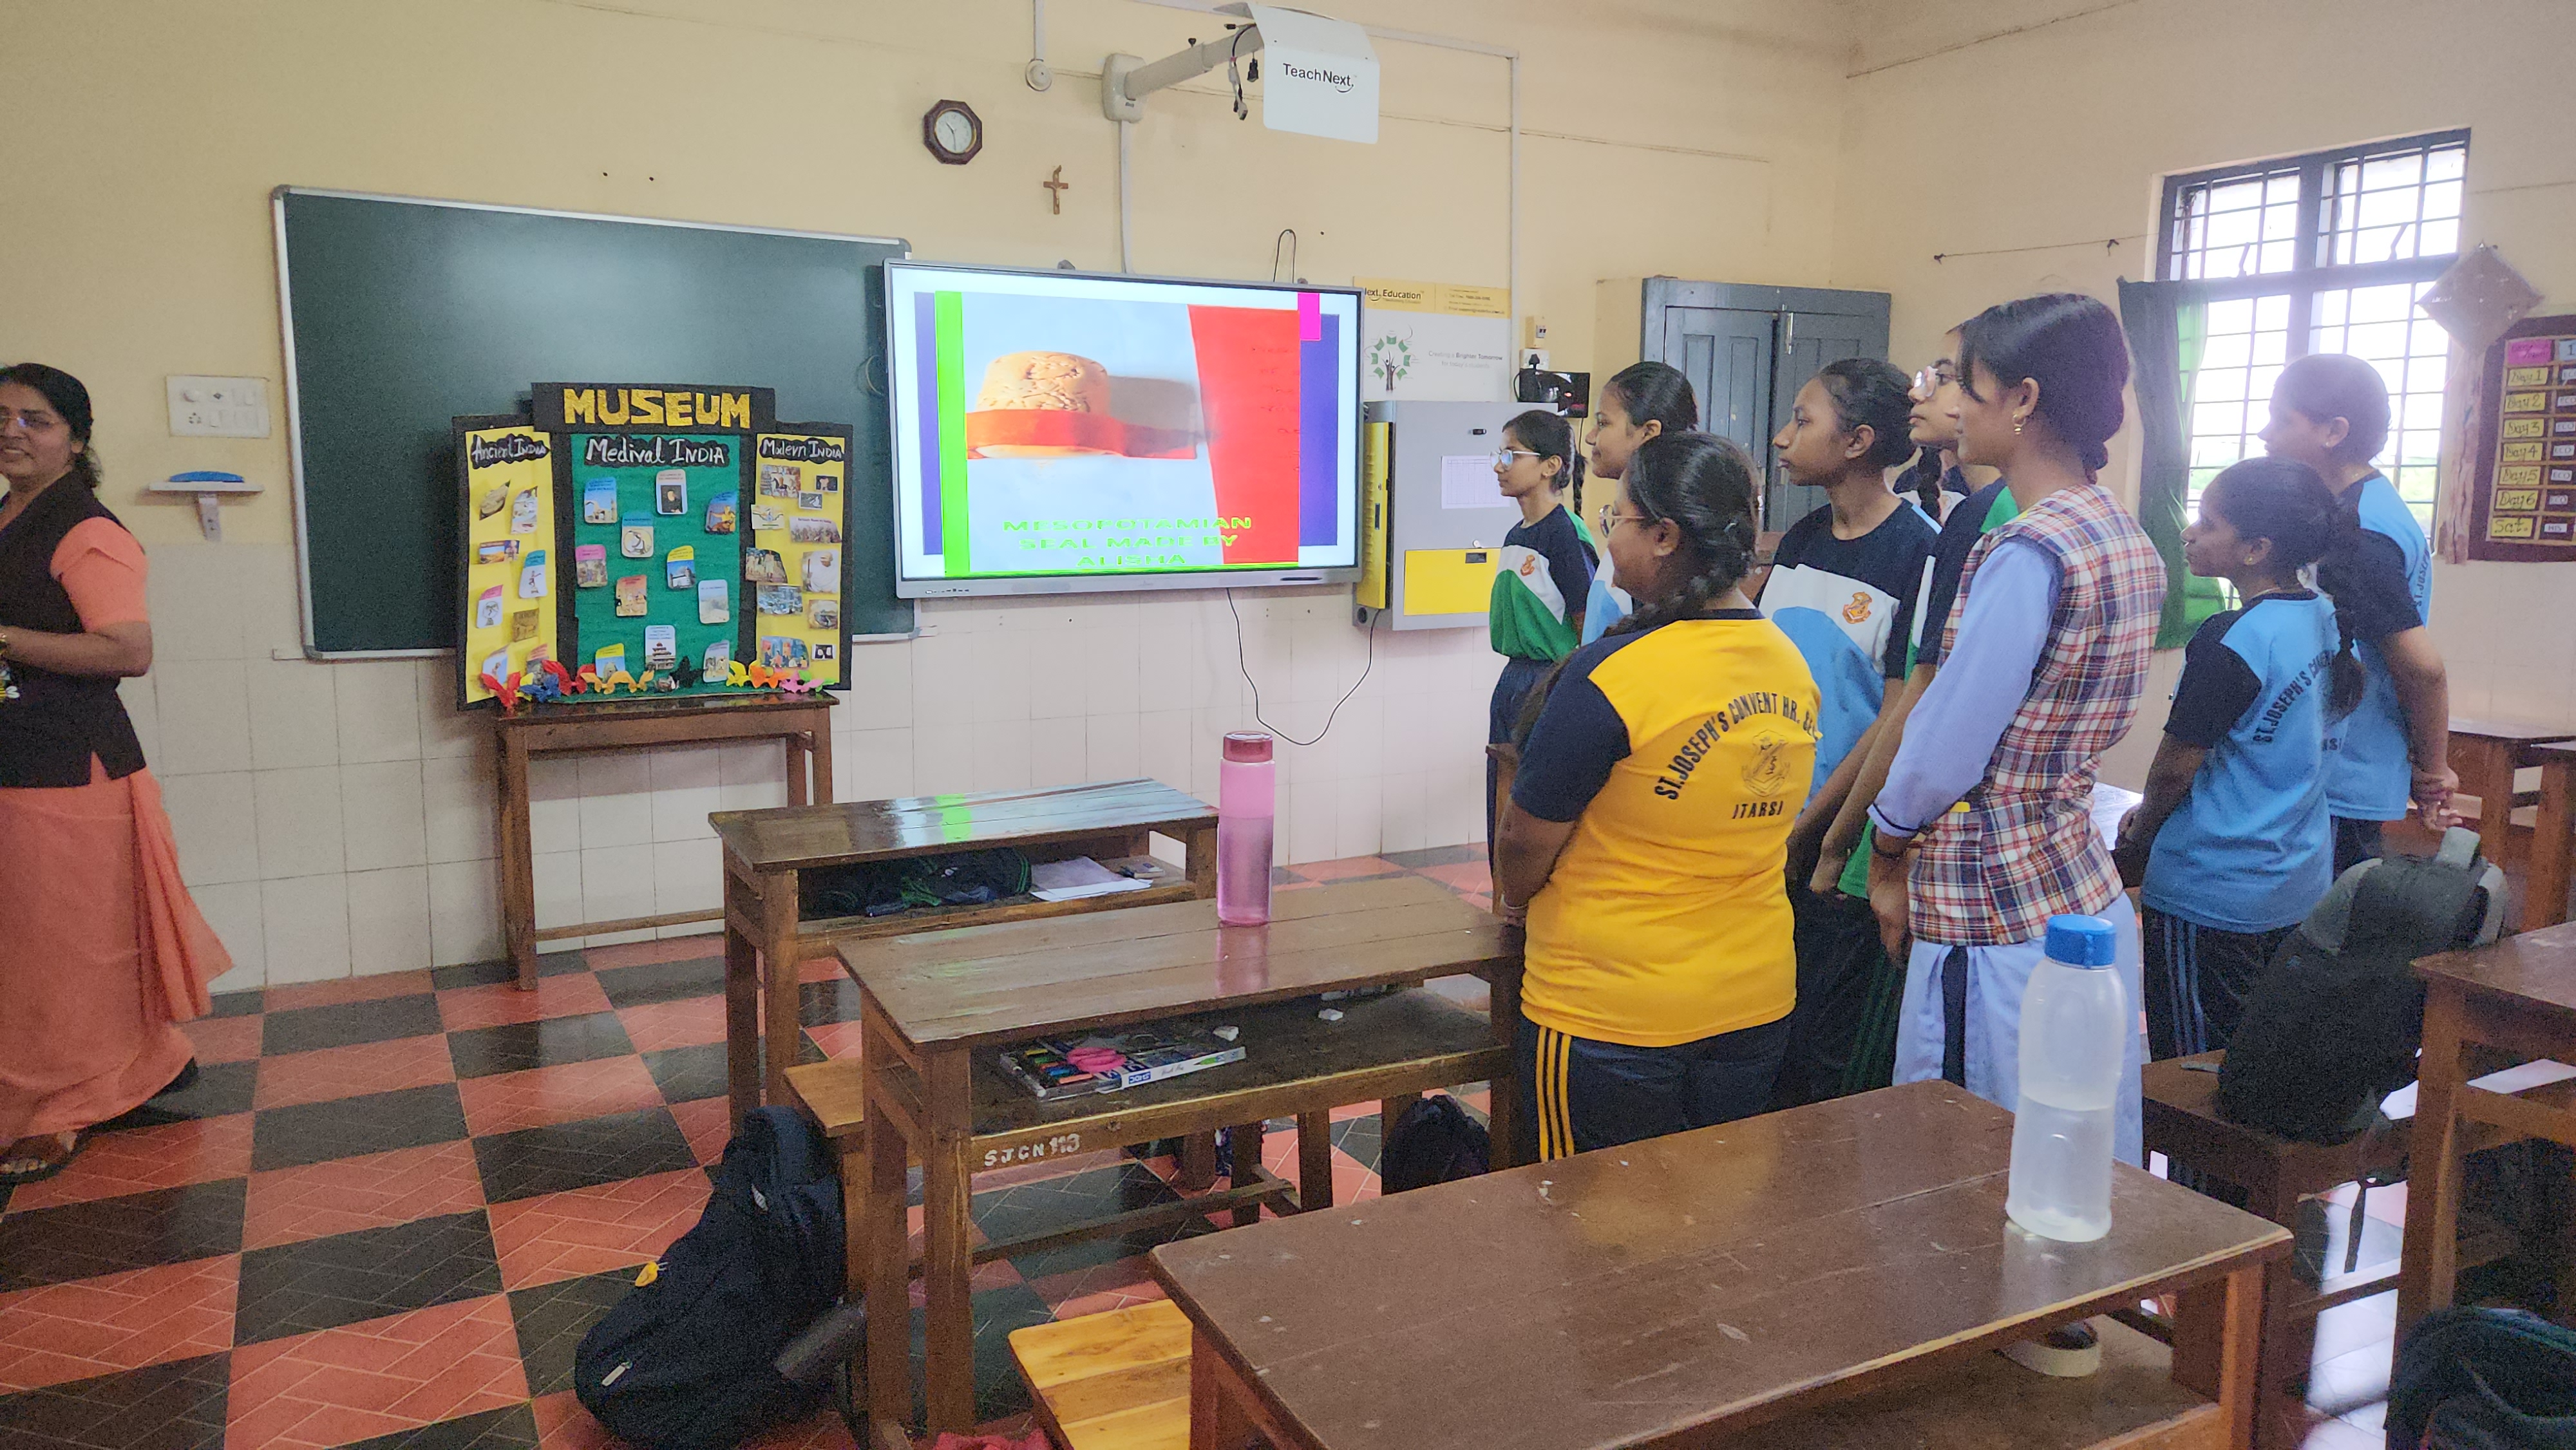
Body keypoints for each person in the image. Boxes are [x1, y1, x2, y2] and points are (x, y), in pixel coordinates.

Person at [1862, 293, 2163, 1165]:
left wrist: (1888, 842)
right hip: (2076, 886)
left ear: (2023, 399)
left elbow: (1949, 742)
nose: (1952, 403)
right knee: (2073, 1151)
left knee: (1973, 1158)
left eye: (1965, 383)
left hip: (1994, 912)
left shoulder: (2028, 549)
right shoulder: (2122, 533)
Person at [1494, 432, 1819, 1160]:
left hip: (1612, 1017)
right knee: (1716, 1215)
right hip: (1753, 1005)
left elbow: (1524, 841)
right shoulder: (1788, 663)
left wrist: (1514, 898)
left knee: (1587, 1219)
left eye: (1619, 519)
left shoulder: (1613, 676)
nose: (1609, 539)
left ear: (1666, 536)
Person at [0, 362, 232, 1184]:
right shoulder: (11, 516)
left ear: (76, 438)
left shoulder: (87, 530)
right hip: (20, 761)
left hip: (68, 772)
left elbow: (127, 650)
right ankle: (137, 1068)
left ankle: (62, 1107)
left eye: (35, 419)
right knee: (31, 944)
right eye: (1, 416)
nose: (12, 431)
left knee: (61, 950)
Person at [1803, 332, 2018, 1095]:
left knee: (1862, 1062)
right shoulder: (1987, 512)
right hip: (1920, 831)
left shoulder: (1987, 523)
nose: (1919, 392)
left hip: (1919, 834)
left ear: (2019, 398)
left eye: (1948, 377)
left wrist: (1847, 840)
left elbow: (1923, 700)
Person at [2113, 457, 2359, 1060]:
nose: (2189, 533)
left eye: (2209, 523)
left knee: (2193, 1070)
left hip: (2212, 892)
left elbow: (2176, 767)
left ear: (2256, 550)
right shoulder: (2325, 616)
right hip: (2296, 880)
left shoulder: (2234, 638)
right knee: (2259, 1060)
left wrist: (2139, 838)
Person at [1756, 358, 1937, 1107]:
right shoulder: (1801, 538)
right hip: (1768, 822)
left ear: (1858, 440)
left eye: (1802, 420)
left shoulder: (1919, 551)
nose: (1781, 437)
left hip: (1838, 841)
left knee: (1820, 1056)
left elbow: (1897, 713)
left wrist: (1818, 832)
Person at [2260, 353, 2455, 871]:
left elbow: (2422, 668)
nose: (2266, 434)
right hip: (2339, 769)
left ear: (2334, 431)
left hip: (2343, 776)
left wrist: (2433, 768)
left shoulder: (2363, 531)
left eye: (2281, 419)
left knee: (2320, 915)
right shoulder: (2368, 506)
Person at [1486, 409, 1596, 839]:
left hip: (1550, 681)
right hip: (1514, 680)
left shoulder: (1565, 535)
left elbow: (1587, 621)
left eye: (1511, 455)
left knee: (1534, 808)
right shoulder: (1517, 534)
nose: (1499, 466)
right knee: (1501, 802)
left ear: (1550, 466)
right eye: (1499, 455)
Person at [1578, 362, 1700, 645]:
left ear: (1648, 432)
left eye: (1603, 423)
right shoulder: (1634, 527)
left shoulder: (1659, 547)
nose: (1590, 437)